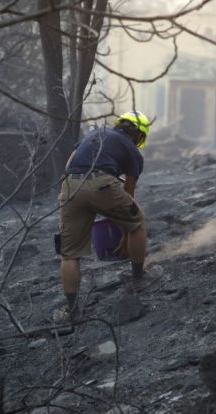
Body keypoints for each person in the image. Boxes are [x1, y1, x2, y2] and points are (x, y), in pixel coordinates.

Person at [57, 111, 163, 323]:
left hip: (70, 186)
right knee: (138, 223)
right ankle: (139, 279)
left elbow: (69, 164)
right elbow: (129, 195)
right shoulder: (132, 150)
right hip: (102, 183)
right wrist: (125, 229)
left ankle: (72, 313)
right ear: (139, 135)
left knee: (69, 254)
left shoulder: (94, 134)